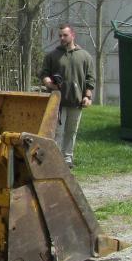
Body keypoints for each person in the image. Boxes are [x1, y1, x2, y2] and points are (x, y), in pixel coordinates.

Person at [39, 24, 95, 168]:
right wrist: (50, 84)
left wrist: (87, 97)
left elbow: (90, 79)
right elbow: (44, 74)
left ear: (72, 35)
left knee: (71, 131)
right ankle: (54, 160)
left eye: (65, 35)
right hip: (57, 101)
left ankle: (67, 159)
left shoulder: (85, 56)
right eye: (60, 36)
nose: (62, 38)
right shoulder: (52, 55)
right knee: (58, 131)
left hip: (76, 101)